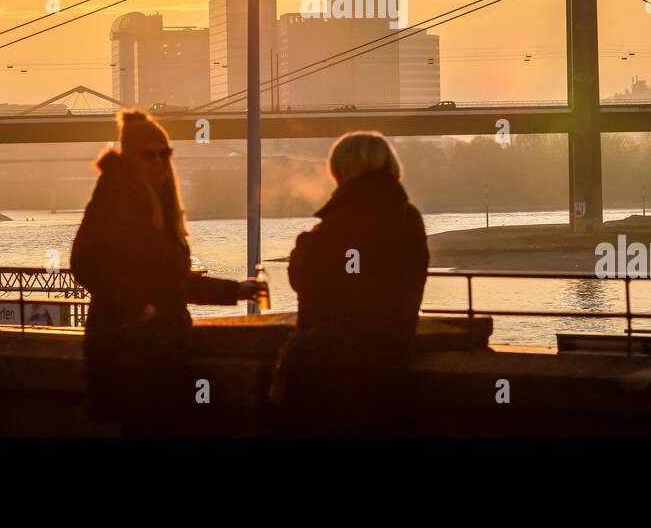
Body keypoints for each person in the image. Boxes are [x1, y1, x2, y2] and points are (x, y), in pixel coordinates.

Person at [70, 108, 262, 435]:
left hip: (160, 351)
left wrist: (236, 290)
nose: (160, 162)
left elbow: (173, 282)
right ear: (131, 157)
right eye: (150, 155)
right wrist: (138, 309)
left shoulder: (158, 202)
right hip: (132, 352)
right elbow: (84, 264)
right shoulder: (114, 198)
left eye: (165, 153)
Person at [271, 131, 429, 435]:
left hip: (327, 368)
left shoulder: (341, 220)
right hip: (389, 363)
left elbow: (305, 280)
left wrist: (304, 244)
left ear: (343, 170)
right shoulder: (407, 218)